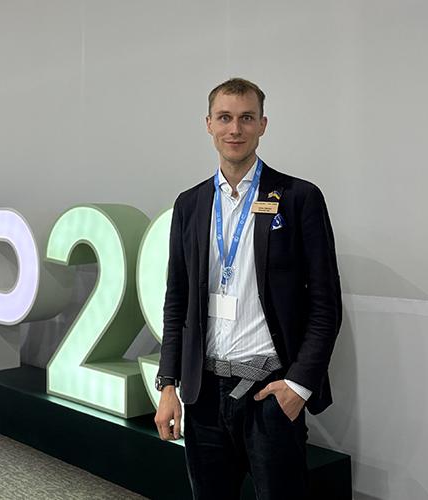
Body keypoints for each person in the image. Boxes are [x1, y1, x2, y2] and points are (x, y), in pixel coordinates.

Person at [154, 77, 342, 500]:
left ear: (262, 124)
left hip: (269, 393)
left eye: (245, 118)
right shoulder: (191, 203)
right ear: (208, 124)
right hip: (202, 395)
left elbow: (325, 305)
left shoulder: (298, 198)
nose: (234, 129)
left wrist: (299, 387)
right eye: (224, 118)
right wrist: (168, 385)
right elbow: (176, 301)